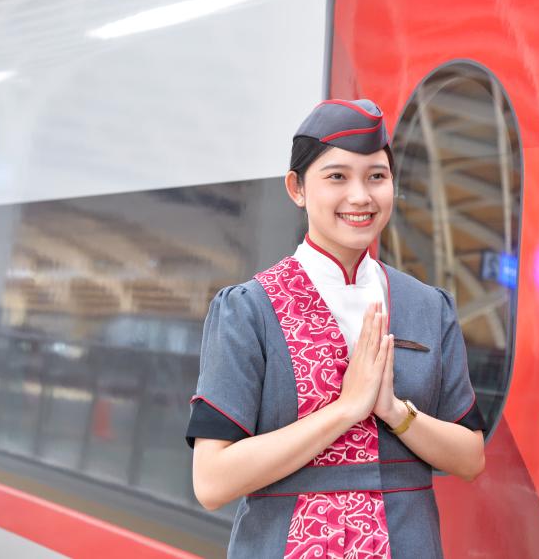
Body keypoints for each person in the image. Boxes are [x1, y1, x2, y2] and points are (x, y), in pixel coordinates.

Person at [185, 99, 486, 558]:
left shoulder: (428, 307)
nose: (361, 197)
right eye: (337, 177)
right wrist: (346, 409)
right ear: (297, 188)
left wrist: (394, 411)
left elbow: (470, 458)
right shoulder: (249, 310)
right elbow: (211, 481)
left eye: (377, 176)